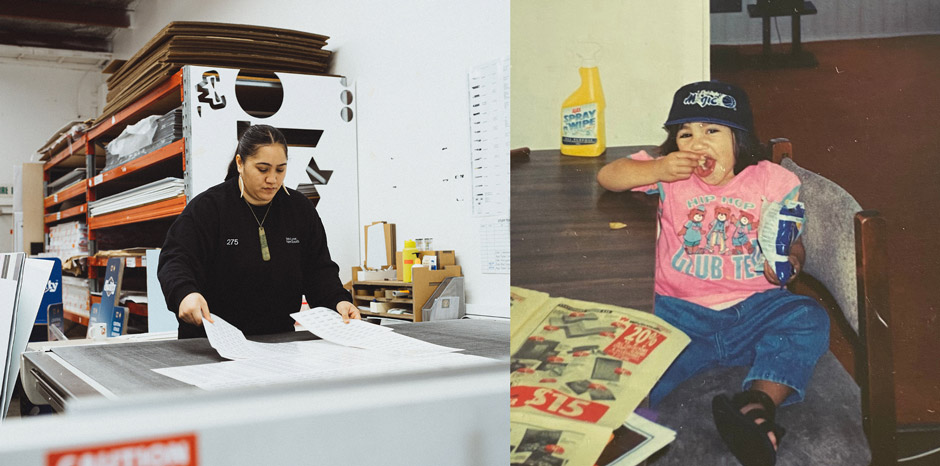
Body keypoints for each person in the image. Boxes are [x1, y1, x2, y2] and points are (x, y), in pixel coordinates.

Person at [596, 81, 829, 466]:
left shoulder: (769, 180)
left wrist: (789, 260)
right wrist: (657, 167)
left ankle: (757, 406)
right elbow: (608, 176)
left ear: (739, 138)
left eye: (711, 131)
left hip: (755, 307)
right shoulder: (671, 177)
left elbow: (793, 239)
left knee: (808, 316)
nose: (697, 142)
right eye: (685, 134)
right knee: (634, 360)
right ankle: (633, 432)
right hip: (680, 314)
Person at [158, 124, 359, 339]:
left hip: (278, 340)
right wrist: (185, 293)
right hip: (211, 341)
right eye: (263, 169)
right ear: (240, 163)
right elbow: (176, 259)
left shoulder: (299, 209)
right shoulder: (209, 208)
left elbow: (319, 270)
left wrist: (338, 301)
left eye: (280, 170)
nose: (272, 179)